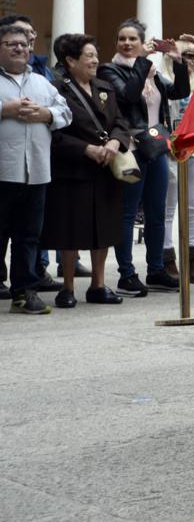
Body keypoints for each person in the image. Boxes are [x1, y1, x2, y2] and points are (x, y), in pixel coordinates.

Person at [100, 18, 189, 296]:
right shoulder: (110, 69)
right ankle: (126, 274)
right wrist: (143, 61)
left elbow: (180, 91)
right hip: (129, 149)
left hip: (155, 147)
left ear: (141, 41)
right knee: (127, 213)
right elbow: (126, 97)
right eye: (122, 39)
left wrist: (177, 61)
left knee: (156, 212)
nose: (126, 43)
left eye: (132, 39)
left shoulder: (151, 71)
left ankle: (156, 270)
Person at [43, 33, 128, 307]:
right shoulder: (56, 90)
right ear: (70, 60)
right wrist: (85, 149)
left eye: (95, 54)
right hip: (73, 169)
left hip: (105, 167)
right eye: (88, 56)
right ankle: (67, 287)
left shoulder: (105, 87)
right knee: (70, 229)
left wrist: (116, 141)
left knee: (102, 227)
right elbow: (53, 133)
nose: (95, 60)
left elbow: (120, 122)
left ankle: (98, 285)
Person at [1, 23, 71, 314]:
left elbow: (65, 112)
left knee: (28, 236)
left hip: (37, 172)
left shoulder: (42, 82)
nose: (19, 48)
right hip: (3, 171)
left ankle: (24, 293)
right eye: (10, 43)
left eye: (23, 44)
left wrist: (46, 114)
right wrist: (6, 110)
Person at [163, 35, 194, 284]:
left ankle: (193, 261)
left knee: (192, 206)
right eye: (186, 54)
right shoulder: (164, 80)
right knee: (168, 208)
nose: (191, 59)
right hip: (169, 150)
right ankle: (168, 260)